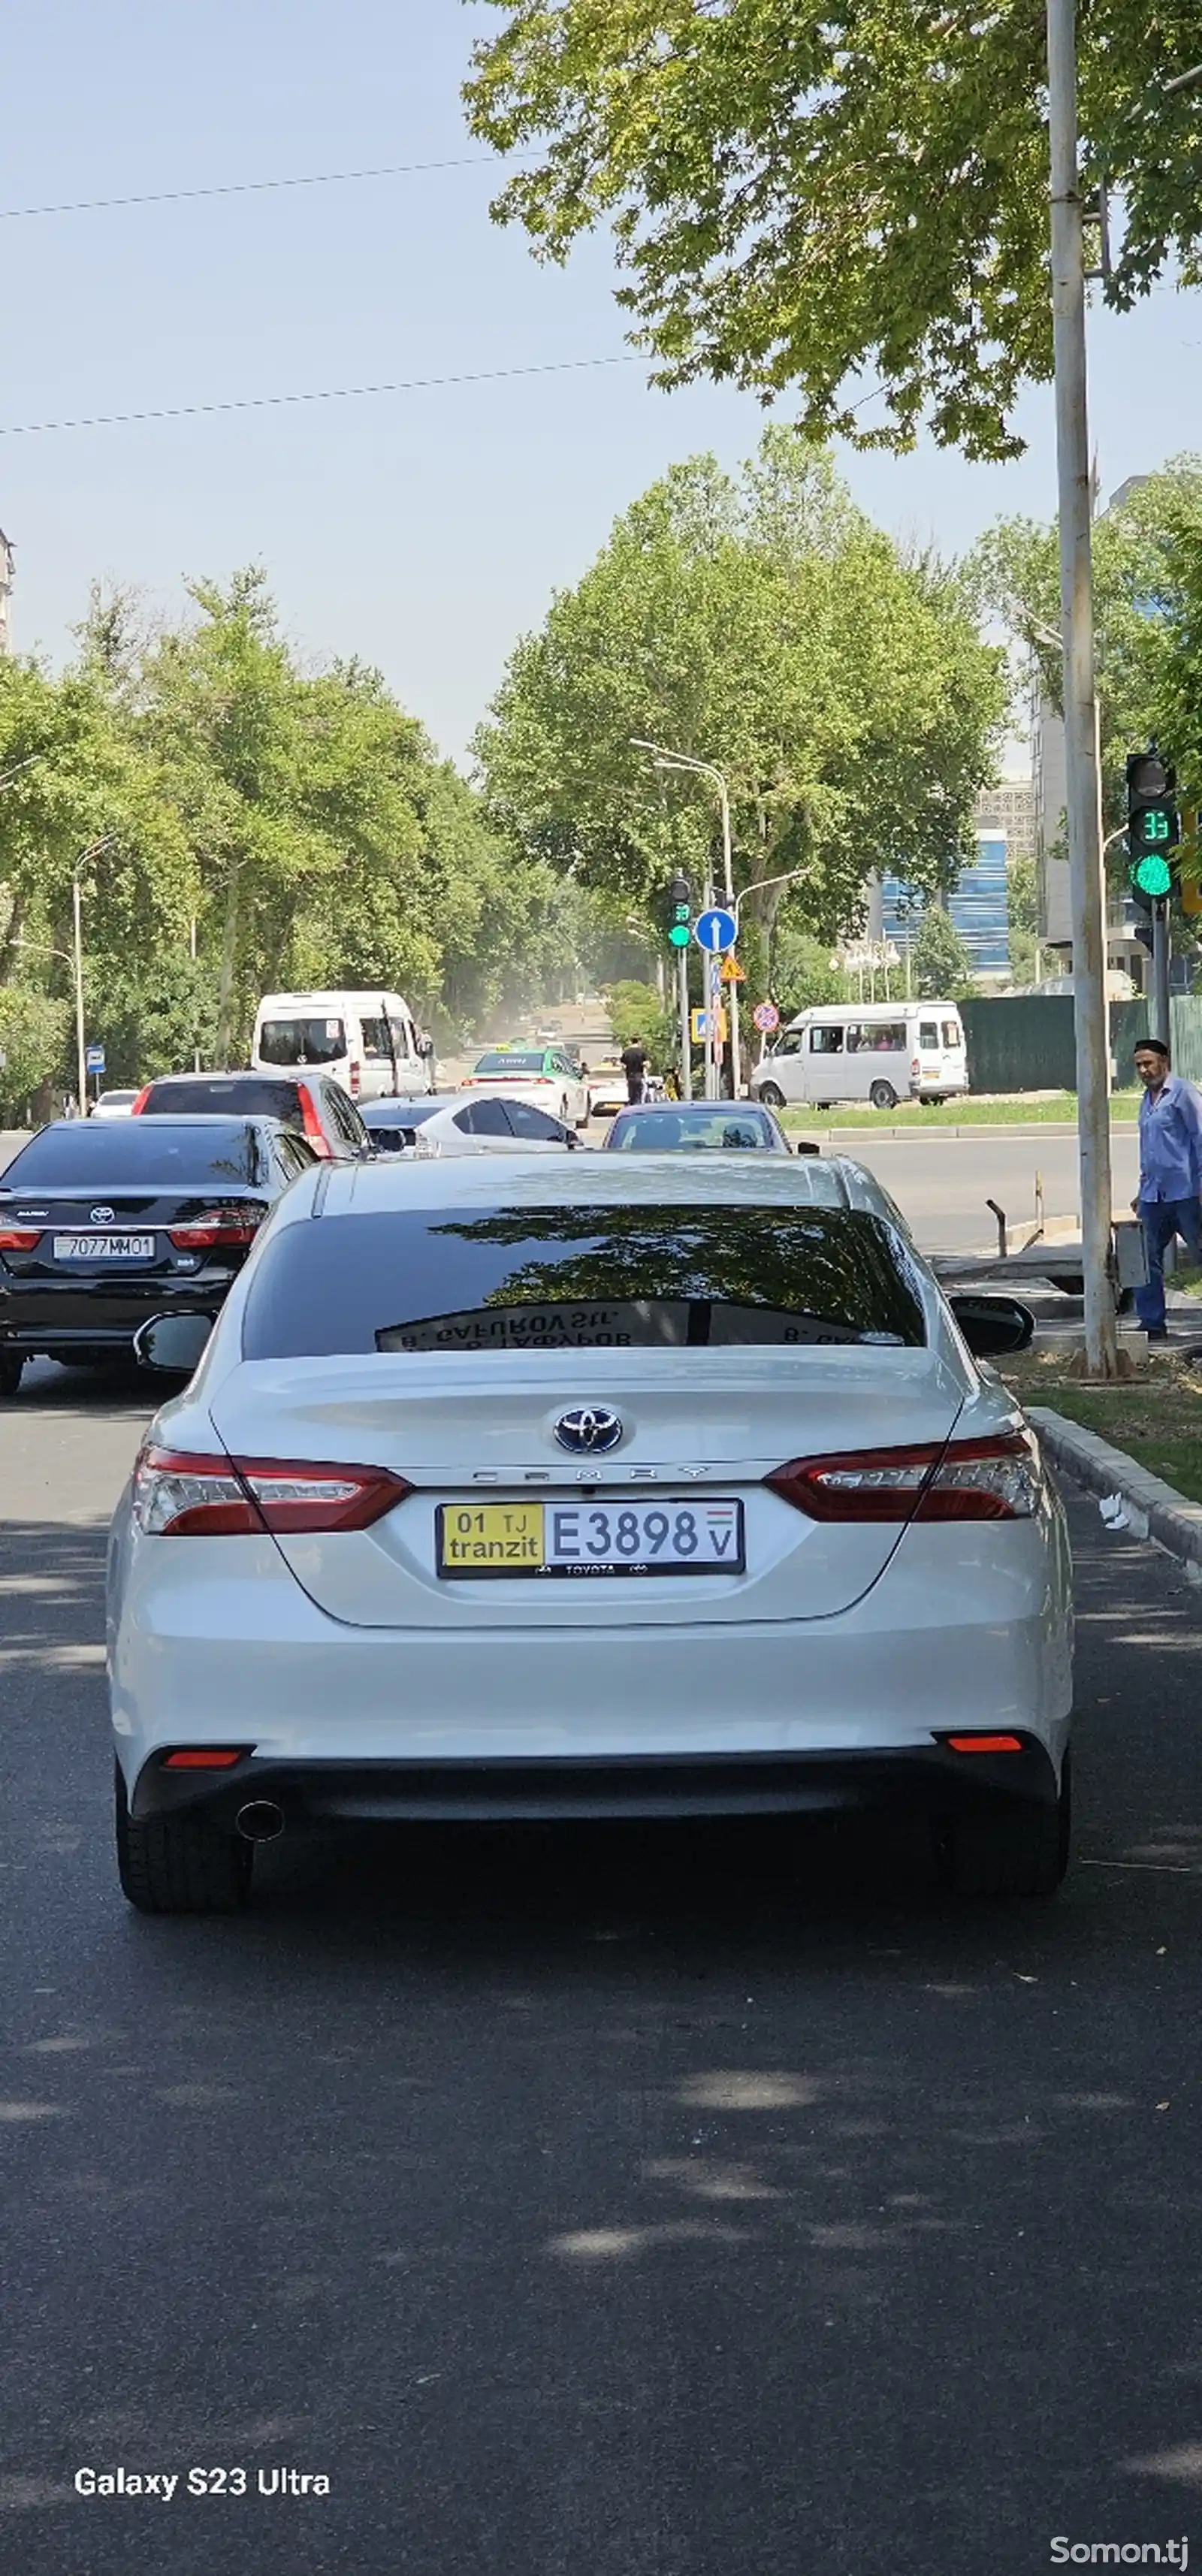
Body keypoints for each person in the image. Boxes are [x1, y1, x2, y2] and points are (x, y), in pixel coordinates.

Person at [1132, 1037, 1202, 1340]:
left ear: (1164, 1062)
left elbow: (1201, 1137)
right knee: (1144, 1260)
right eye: (1138, 1065)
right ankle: (1152, 1324)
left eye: (1148, 1063)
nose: (1144, 1070)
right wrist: (1142, 1189)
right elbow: (1150, 1150)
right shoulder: (1146, 1101)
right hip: (1154, 1196)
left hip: (1187, 1193)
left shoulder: (1183, 1093)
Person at [621, 1040, 648, 1105]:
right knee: (639, 1096)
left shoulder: (626, 1052)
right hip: (639, 1076)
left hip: (630, 1076)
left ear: (631, 1042)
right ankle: (638, 1108)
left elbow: (622, 1065)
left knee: (632, 1095)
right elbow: (647, 1064)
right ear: (638, 1042)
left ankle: (632, 1107)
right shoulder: (642, 1052)